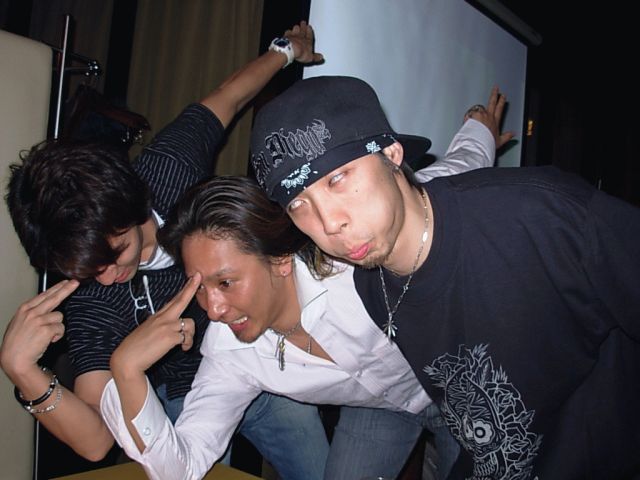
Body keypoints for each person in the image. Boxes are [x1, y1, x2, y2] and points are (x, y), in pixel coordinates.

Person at [67, 95, 503, 480]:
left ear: (278, 259)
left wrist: (479, 131)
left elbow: (444, 181)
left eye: (226, 282)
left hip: (456, 378)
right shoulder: (228, 351)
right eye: (199, 287)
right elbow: (181, 468)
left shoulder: (348, 258)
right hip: (379, 410)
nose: (212, 309)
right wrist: (126, 370)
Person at [249, 75, 640, 479]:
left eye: (337, 178)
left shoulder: (543, 215)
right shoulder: (372, 283)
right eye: (298, 204)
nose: (329, 223)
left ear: (391, 153)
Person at [0, 22, 330, 480]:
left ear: (132, 207)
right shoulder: (89, 297)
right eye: (88, 269)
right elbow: (96, 441)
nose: (107, 277)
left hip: (260, 359)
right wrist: (23, 371)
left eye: (114, 254)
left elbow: (228, 97)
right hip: (181, 402)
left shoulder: (169, 169)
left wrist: (288, 50)